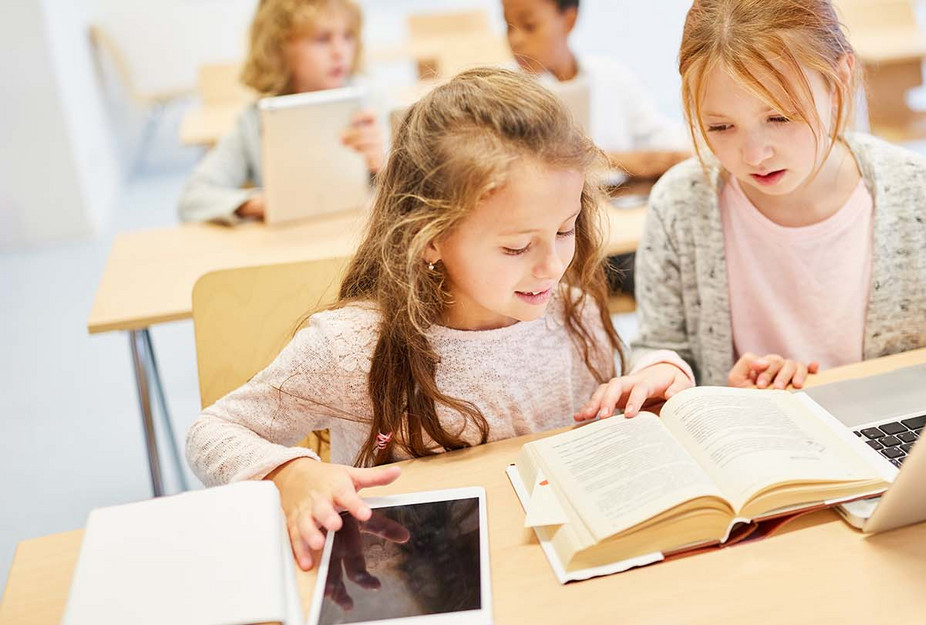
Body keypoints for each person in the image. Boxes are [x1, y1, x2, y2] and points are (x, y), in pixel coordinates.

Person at [577, 0, 926, 421]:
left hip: (904, 447)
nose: (753, 153)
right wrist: (667, 372)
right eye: (720, 127)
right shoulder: (681, 203)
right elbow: (661, 345)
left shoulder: (925, 195)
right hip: (762, 464)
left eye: (780, 118)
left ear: (840, 80)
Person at [186, 68, 629, 570]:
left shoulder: (574, 311)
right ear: (430, 238)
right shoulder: (351, 347)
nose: (553, 264)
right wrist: (289, 473)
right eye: (517, 246)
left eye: (566, 230)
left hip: (546, 567)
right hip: (416, 577)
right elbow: (212, 431)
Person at [178, 0, 386, 223]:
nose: (340, 51)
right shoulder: (255, 121)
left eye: (348, 36)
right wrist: (257, 204)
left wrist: (384, 165)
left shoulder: (370, 106)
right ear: (280, 49)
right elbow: (193, 197)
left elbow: (418, 193)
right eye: (322, 39)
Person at [501, 0, 690, 178]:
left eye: (529, 25)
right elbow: (519, 162)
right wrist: (619, 161)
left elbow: (659, 136)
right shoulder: (504, 90)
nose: (515, 40)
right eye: (508, 26)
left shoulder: (612, 76)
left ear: (569, 20)